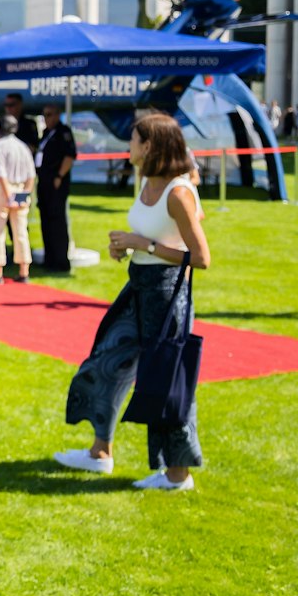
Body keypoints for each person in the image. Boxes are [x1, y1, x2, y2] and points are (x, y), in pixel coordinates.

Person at [53, 113, 211, 490]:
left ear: (150, 146)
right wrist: (125, 246)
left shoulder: (178, 192)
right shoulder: (146, 181)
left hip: (167, 295)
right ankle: (100, 453)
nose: (128, 145)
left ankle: (177, 475)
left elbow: (201, 257)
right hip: (138, 285)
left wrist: (146, 245)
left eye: (133, 139)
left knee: (164, 381)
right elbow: (151, 233)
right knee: (106, 360)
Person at [0, 115, 35, 284]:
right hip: (19, 188)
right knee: (20, 231)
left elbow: (0, 174)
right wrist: (24, 195)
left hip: (4, 190)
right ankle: (24, 270)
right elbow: (31, 175)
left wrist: (9, 197)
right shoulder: (23, 147)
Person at [36, 103, 76, 273]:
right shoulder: (46, 132)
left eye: (50, 114)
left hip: (56, 182)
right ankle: (50, 258)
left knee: (57, 221)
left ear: (58, 115)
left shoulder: (63, 132)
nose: (47, 118)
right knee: (45, 220)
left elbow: (70, 155)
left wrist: (59, 176)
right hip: (44, 181)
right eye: (45, 115)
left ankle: (60, 260)